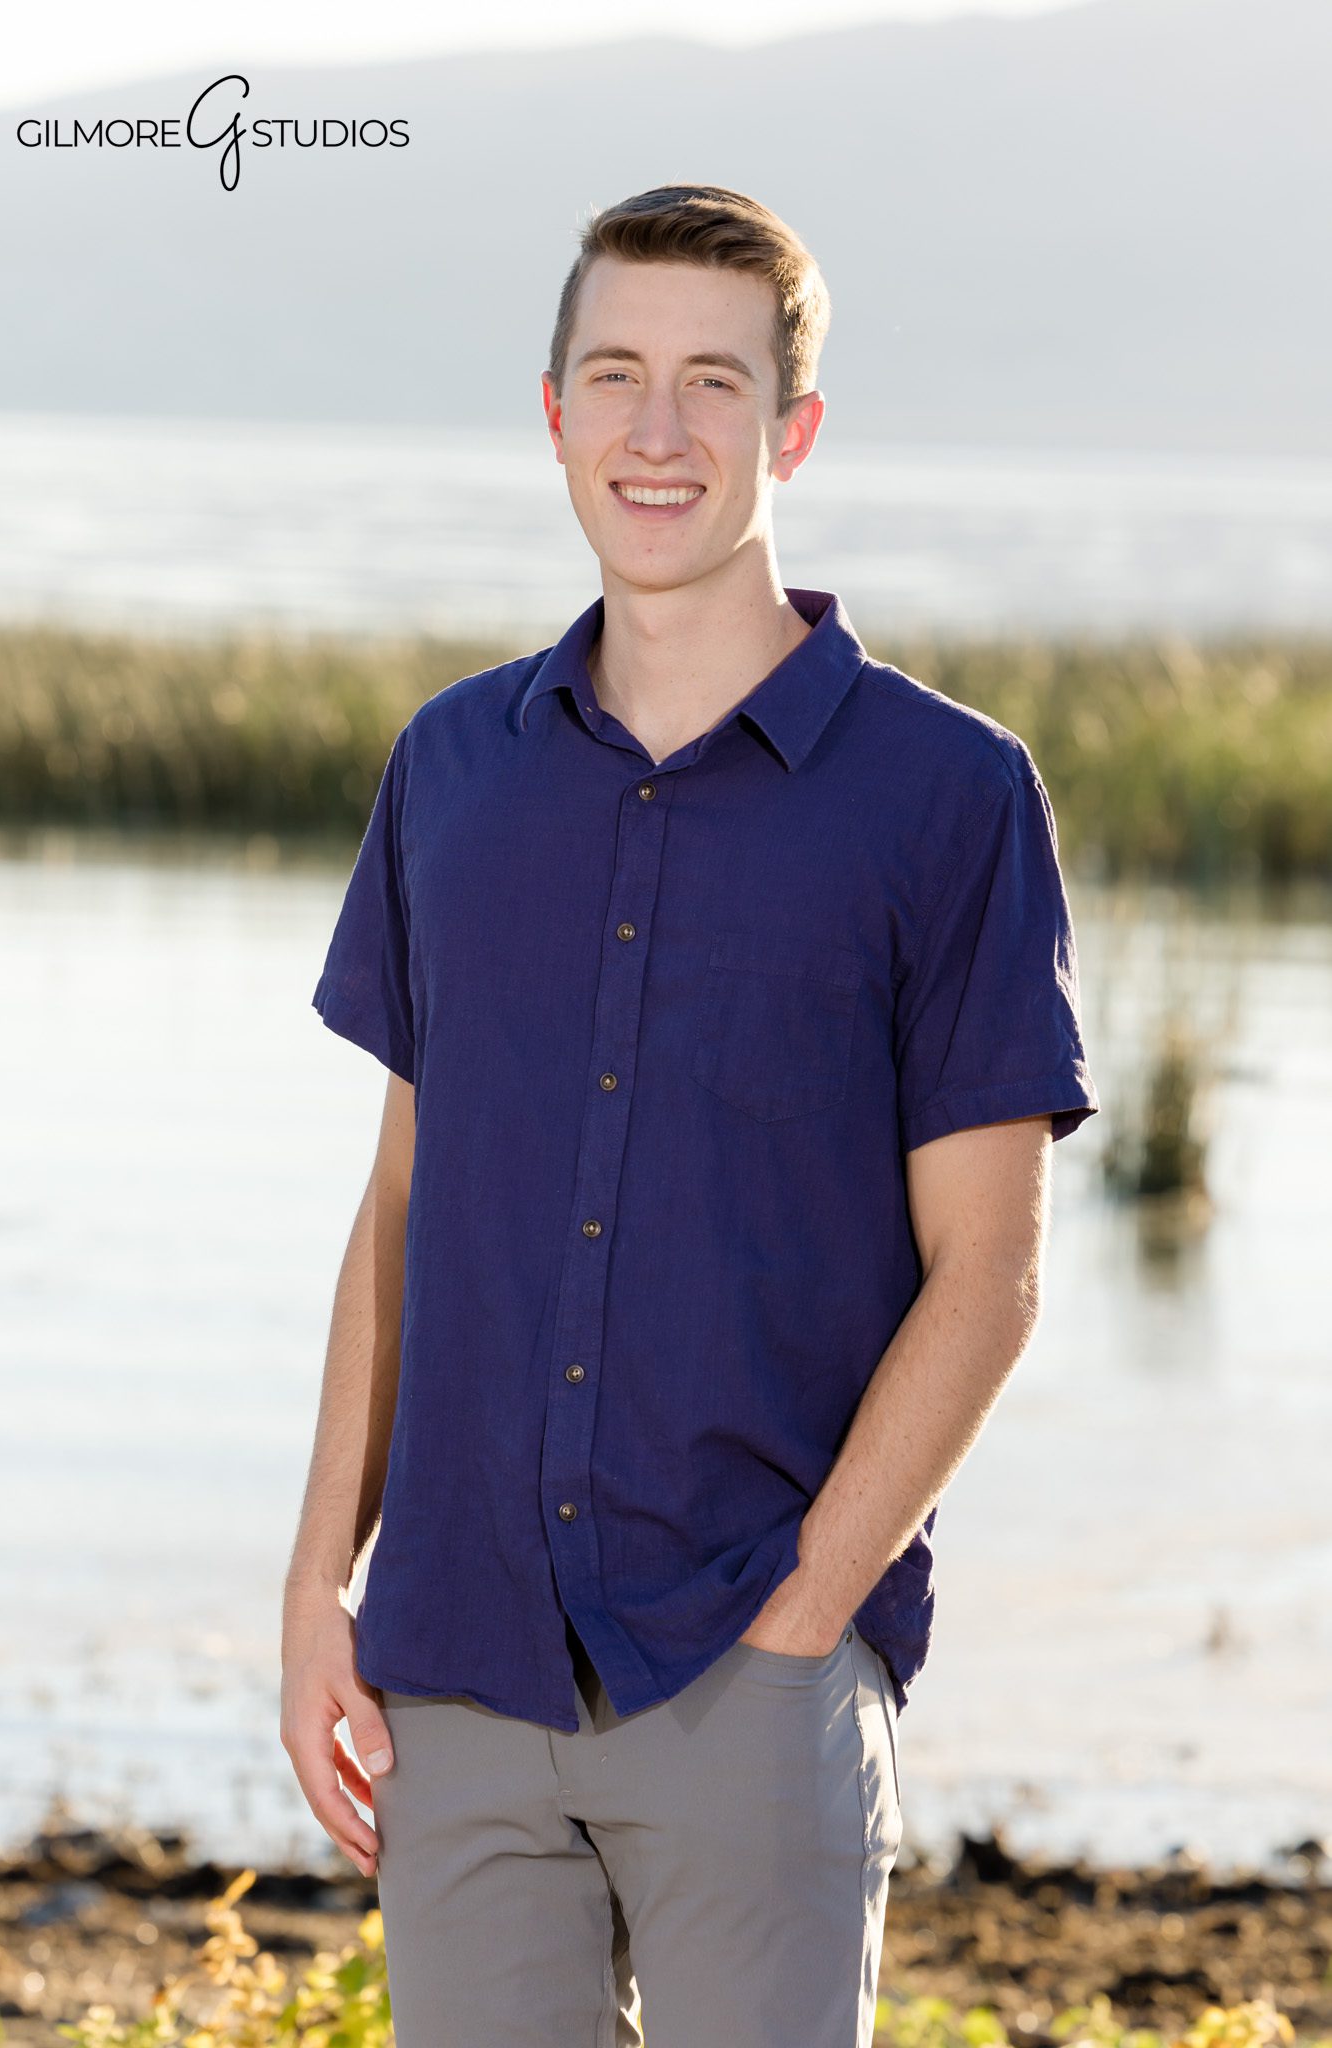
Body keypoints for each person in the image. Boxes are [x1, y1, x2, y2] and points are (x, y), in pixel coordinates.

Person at [281, 182, 1099, 2047]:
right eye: (618, 376)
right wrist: (315, 1588)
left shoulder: (945, 795)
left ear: (790, 428)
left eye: (713, 385)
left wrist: (808, 1616)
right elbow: (405, 1211)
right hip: (458, 1678)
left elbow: (989, 1277)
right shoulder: (450, 770)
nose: (659, 432)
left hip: (751, 1669)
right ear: (552, 408)